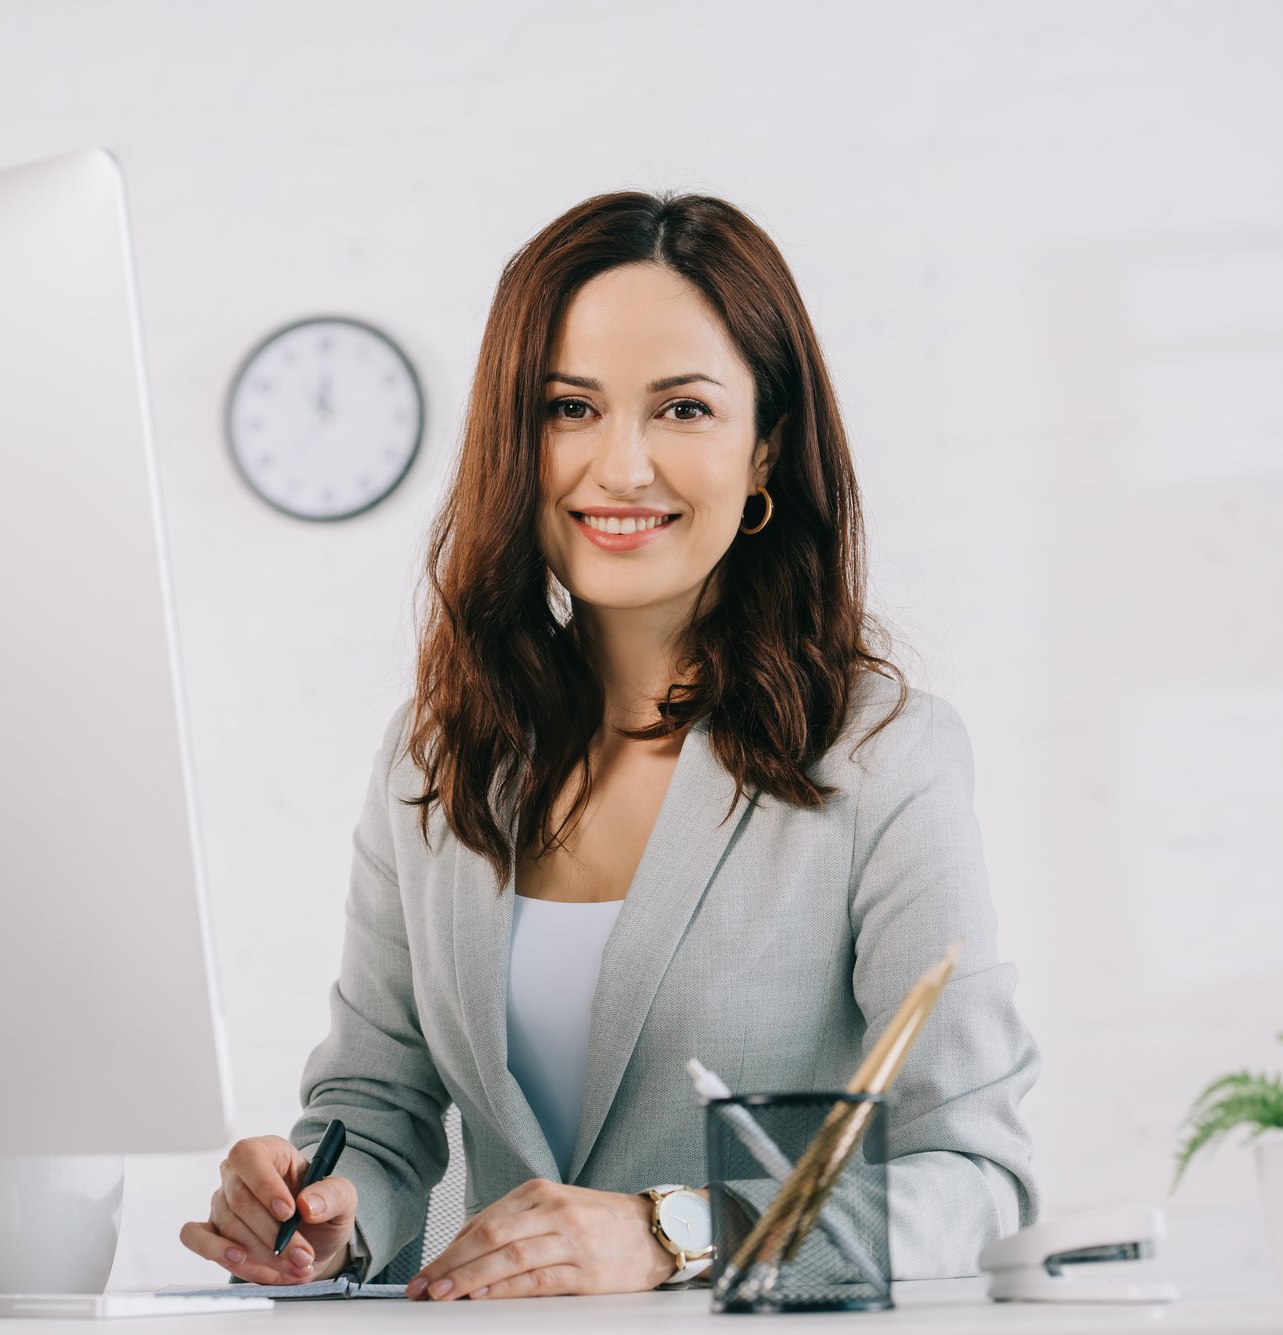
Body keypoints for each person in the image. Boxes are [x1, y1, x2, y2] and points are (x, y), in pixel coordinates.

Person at [178, 190, 1042, 1300]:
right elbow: (375, 1115)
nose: (619, 467)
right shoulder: (434, 754)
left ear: (764, 447)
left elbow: (975, 1176)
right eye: (567, 408)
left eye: (681, 410)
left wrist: (676, 1230)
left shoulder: (880, 758)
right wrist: (320, 1213)